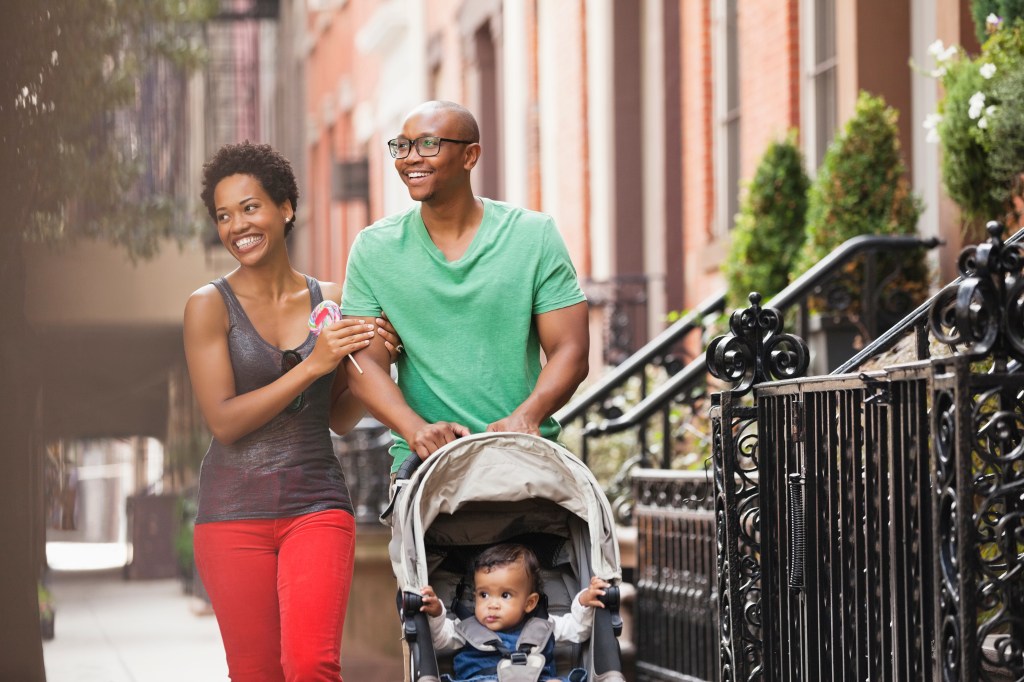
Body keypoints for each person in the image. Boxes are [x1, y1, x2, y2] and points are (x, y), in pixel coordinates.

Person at [183, 141, 401, 681]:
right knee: (256, 672)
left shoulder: (330, 298)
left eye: (249, 207)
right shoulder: (208, 306)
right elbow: (225, 421)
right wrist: (310, 365)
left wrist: (379, 362)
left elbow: (337, 418)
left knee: (311, 664)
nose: (237, 226)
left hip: (316, 502)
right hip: (232, 514)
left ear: (286, 208)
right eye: (223, 215)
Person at [341, 100, 590, 475]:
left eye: (428, 144)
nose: (410, 158)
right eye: (402, 146)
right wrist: (416, 429)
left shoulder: (532, 235)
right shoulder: (374, 249)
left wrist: (526, 417)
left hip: (525, 459)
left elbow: (570, 348)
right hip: (422, 472)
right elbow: (363, 363)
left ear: (470, 156)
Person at [419, 543, 609, 682]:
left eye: (505, 595)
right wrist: (436, 613)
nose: (492, 604)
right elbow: (439, 638)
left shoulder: (543, 626)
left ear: (529, 603)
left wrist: (585, 600)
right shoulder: (466, 629)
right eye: (483, 594)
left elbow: (577, 629)